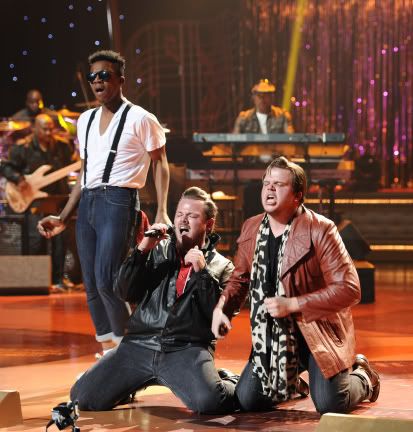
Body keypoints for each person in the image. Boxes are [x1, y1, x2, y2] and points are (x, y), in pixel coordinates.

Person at [211, 156, 380, 414]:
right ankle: (291, 385)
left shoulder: (320, 229)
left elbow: (350, 288)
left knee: (331, 404)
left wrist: (293, 304)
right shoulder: (252, 227)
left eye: (279, 184)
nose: (269, 189)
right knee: (248, 400)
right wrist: (222, 308)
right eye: (266, 183)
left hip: (317, 333)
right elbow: (240, 278)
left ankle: (364, 377)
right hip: (274, 337)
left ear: (297, 196)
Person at [37, 50, 170, 355]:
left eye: (104, 75)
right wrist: (63, 216)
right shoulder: (85, 120)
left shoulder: (141, 118)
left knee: (108, 278)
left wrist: (162, 209)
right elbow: (86, 174)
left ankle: (129, 352)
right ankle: (109, 348)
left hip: (118, 200)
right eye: (93, 76)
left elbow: (160, 161)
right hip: (88, 203)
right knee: (91, 283)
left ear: (120, 80)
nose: (97, 81)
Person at [70, 187, 238, 414]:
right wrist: (141, 251)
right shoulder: (157, 250)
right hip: (139, 345)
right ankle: (130, 382)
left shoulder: (223, 267)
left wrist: (203, 273)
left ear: (208, 224)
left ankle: (227, 380)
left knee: (211, 402)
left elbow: (219, 319)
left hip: (185, 349)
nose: (183, 220)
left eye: (192, 216)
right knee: (82, 397)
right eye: (180, 214)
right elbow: (124, 292)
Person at [1, 113, 75, 290]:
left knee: (60, 240)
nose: (48, 132)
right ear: (35, 128)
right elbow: (6, 167)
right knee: (36, 240)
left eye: (50, 129)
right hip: (34, 203)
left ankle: (58, 280)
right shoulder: (23, 148)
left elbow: (72, 163)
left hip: (57, 199)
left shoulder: (62, 146)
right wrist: (18, 179)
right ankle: (39, 280)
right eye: (44, 129)